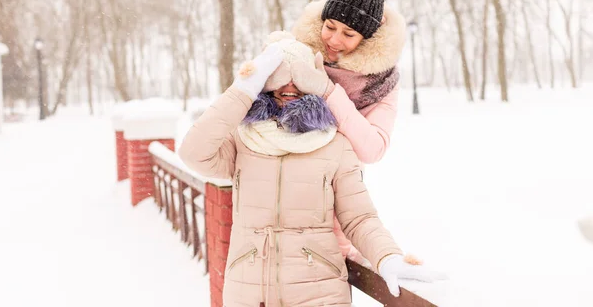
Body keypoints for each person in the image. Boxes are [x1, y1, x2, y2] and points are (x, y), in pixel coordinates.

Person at [178, 35, 437, 306]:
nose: (289, 85)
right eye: (278, 75)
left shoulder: (335, 144)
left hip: (320, 295)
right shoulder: (241, 141)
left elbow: (359, 218)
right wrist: (243, 89)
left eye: (298, 76)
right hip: (249, 294)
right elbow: (192, 153)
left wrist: (388, 256)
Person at [289, 0, 406, 266]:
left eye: (349, 34)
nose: (334, 40)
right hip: (280, 204)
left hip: (336, 209)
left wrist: (329, 92)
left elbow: (372, 148)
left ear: (367, 38)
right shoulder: (295, 55)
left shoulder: (380, 83)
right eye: (330, 26)